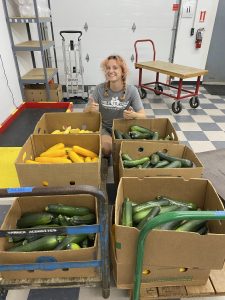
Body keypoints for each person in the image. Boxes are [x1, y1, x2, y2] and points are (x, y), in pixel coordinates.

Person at [83, 54, 146, 157]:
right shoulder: (99, 89)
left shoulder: (132, 91)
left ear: (123, 71)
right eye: (108, 68)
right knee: (106, 149)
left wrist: (134, 115)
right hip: (105, 128)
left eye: (115, 68)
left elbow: (143, 115)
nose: (110, 71)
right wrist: (89, 109)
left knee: (128, 153)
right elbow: (84, 112)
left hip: (123, 129)